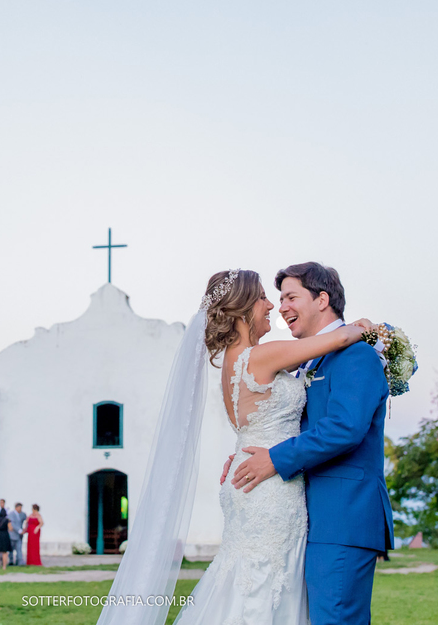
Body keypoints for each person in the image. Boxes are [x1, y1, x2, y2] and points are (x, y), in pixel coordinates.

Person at [97, 266, 378, 625]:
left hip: (249, 478)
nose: (272, 307)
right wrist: (365, 328)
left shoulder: (234, 364)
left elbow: (264, 423)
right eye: (264, 298)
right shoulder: (262, 356)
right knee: (265, 581)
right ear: (245, 309)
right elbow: (338, 340)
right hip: (270, 487)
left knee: (245, 575)